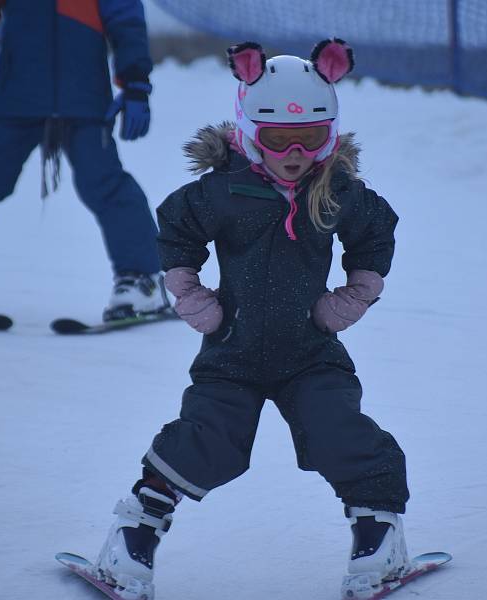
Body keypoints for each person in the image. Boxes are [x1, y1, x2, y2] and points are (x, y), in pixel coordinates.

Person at [91, 39, 410, 600]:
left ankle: (378, 531)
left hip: (310, 353)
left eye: (310, 137)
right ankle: (134, 530)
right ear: (248, 128)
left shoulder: (335, 190)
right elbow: (176, 231)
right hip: (231, 352)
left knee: (340, 431)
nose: (293, 151)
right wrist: (189, 296)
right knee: (206, 440)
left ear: (329, 132)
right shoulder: (223, 191)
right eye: (276, 137)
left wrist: (353, 298)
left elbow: (375, 233)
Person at [0, 0, 170, 320]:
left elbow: (126, 19)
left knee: (107, 186)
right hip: (19, 100)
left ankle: (141, 282)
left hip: (84, 101)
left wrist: (136, 85)